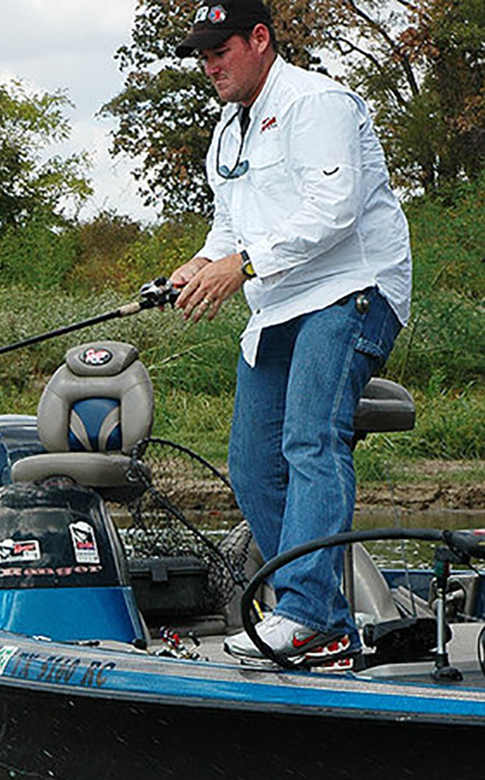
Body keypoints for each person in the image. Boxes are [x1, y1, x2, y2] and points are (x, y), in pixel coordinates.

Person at [168, 0, 412, 668]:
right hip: (278, 304)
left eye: (221, 50)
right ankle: (316, 617)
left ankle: (308, 613)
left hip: (351, 290)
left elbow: (333, 210)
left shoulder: (319, 102)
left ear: (260, 39)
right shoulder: (227, 129)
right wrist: (196, 266)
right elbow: (230, 227)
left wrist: (240, 266)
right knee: (251, 462)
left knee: (310, 437)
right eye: (203, 54)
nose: (211, 64)